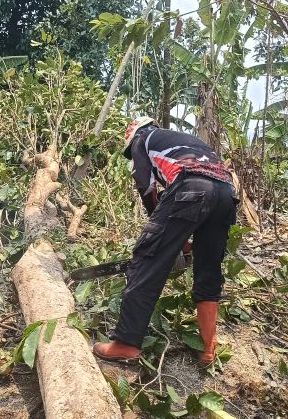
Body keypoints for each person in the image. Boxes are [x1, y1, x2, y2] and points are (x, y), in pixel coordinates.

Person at [93, 117, 238, 366]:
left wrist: (159, 238)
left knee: (147, 258)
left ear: (132, 135)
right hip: (226, 193)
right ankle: (208, 348)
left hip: (190, 185)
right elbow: (206, 193)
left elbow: (147, 188)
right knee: (209, 269)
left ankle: (126, 343)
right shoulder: (183, 139)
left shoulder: (141, 140)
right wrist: (181, 243)